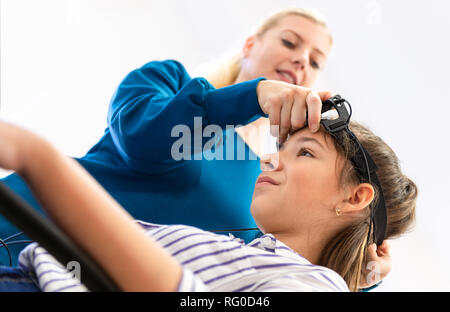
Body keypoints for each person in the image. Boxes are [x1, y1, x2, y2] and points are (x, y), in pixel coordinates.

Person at [0, 8, 390, 289]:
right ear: (250, 45)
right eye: (290, 42)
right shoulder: (167, 82)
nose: (301, 59)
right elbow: (143, 138)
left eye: (315, 61)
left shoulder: (274, 188)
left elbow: (271, 274)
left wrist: (361, 272)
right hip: (15, 232)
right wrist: (252, 97)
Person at [0, 113, 416, 292]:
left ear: (356, 196)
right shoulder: (253, 255)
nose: (270, 158)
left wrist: (42, 160)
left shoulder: (319, 284)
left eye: (304, 152)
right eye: (282, 147)